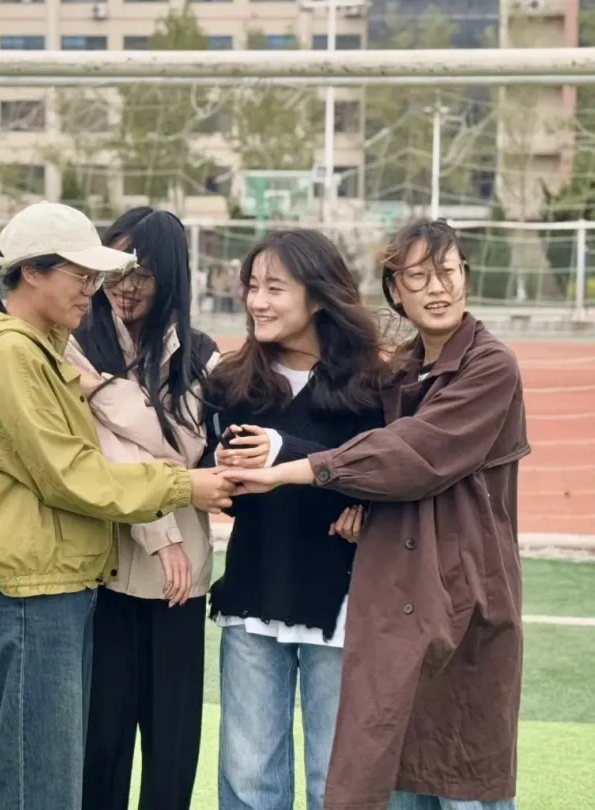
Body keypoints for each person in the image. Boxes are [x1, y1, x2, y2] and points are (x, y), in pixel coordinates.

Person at [0, 201, 236, 810]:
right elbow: (73, 474)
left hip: (56, 584)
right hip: (30, 590)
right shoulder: (18, 355)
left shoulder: (43, 350)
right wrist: (182, 489)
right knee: (38, 783)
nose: (96, 290)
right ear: (32, 271)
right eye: (83, 275)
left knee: (51, 777)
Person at [222, 219, 530, 810]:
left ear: (467, 276)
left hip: (464, 591)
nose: (437, 288)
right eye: (418, 277)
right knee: (399, 775)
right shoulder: (399, 372)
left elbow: (412, 454)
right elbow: (383, 468)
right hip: (399, 595)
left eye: (448, 272)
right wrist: (366, 503)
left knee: (464, 777)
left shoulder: (490, 365)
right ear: (395, 291)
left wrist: (288, 466)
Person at [204, 229, 386, 810]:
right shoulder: (231, 382)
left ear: (318, 295)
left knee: (335, 780)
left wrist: (363, 507)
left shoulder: (375, 387)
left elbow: (383, 472)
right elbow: (215, 478)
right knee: (248, 777)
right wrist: (218, 476)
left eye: (274, 288)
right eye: (252, 286)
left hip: (340, 601)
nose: (257, 301)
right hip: (254, 590)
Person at [65, 207, 220, 810]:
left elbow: (184, 446)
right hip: (101, 566)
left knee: (172, 746)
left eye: (143, 274)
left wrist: (103, 392)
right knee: (100, 745)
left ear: (170, 277)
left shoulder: (200, 354)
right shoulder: (75, 340)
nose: (124, 286)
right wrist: (159, 531)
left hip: (178, 581)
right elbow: (98, 454)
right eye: (116, 269)